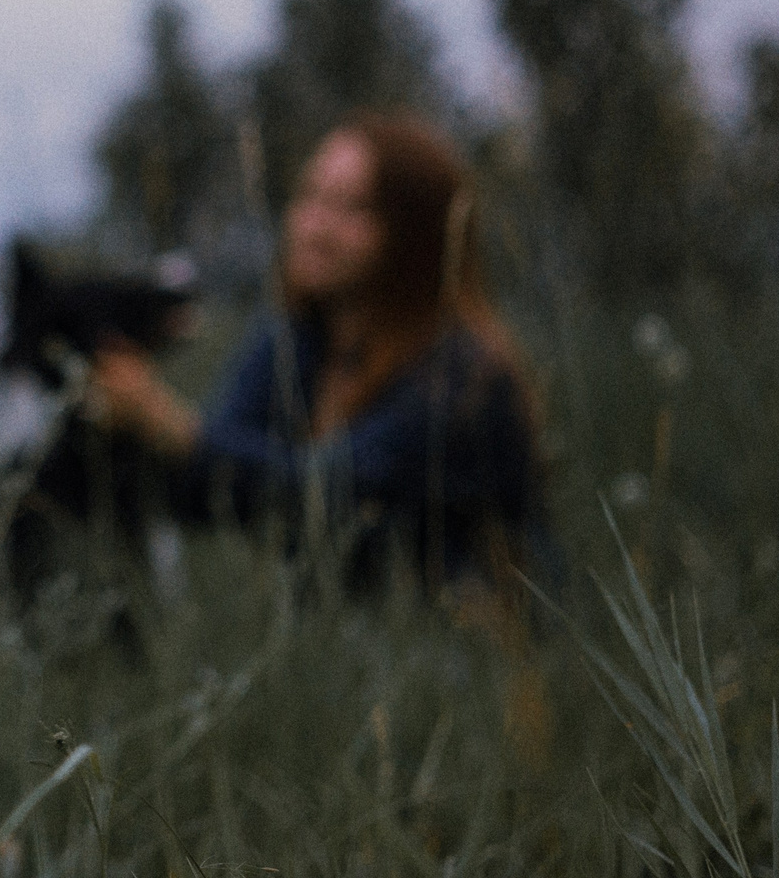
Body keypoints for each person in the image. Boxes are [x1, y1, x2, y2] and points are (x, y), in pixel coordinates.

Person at [88, 111, 551, 597]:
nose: (315, 227)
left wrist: (169, 427)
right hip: (354, 629)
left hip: (467, 632)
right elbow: (215, 487)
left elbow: (331, 490)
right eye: (310, 196)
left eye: (353, 208)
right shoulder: (298, 338)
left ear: (417, 233)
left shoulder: (465, 375)